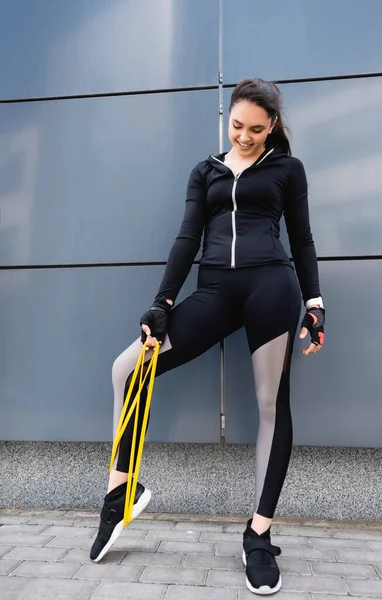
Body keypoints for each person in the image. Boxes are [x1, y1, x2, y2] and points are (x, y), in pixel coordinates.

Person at [90, 78, 325, 595]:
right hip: (214, 290)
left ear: (273, 128)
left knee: (270, 403)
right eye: (237, 125)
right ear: (228, 119)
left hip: (272, 286)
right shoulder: (206, 170)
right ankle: (122, 490)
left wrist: (314, 303)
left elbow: (303, 238)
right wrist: (162, 302)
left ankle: (258, 534)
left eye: (256, 130)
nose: (244, 136)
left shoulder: (287, 169)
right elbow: (186, 237)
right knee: (127, 369)